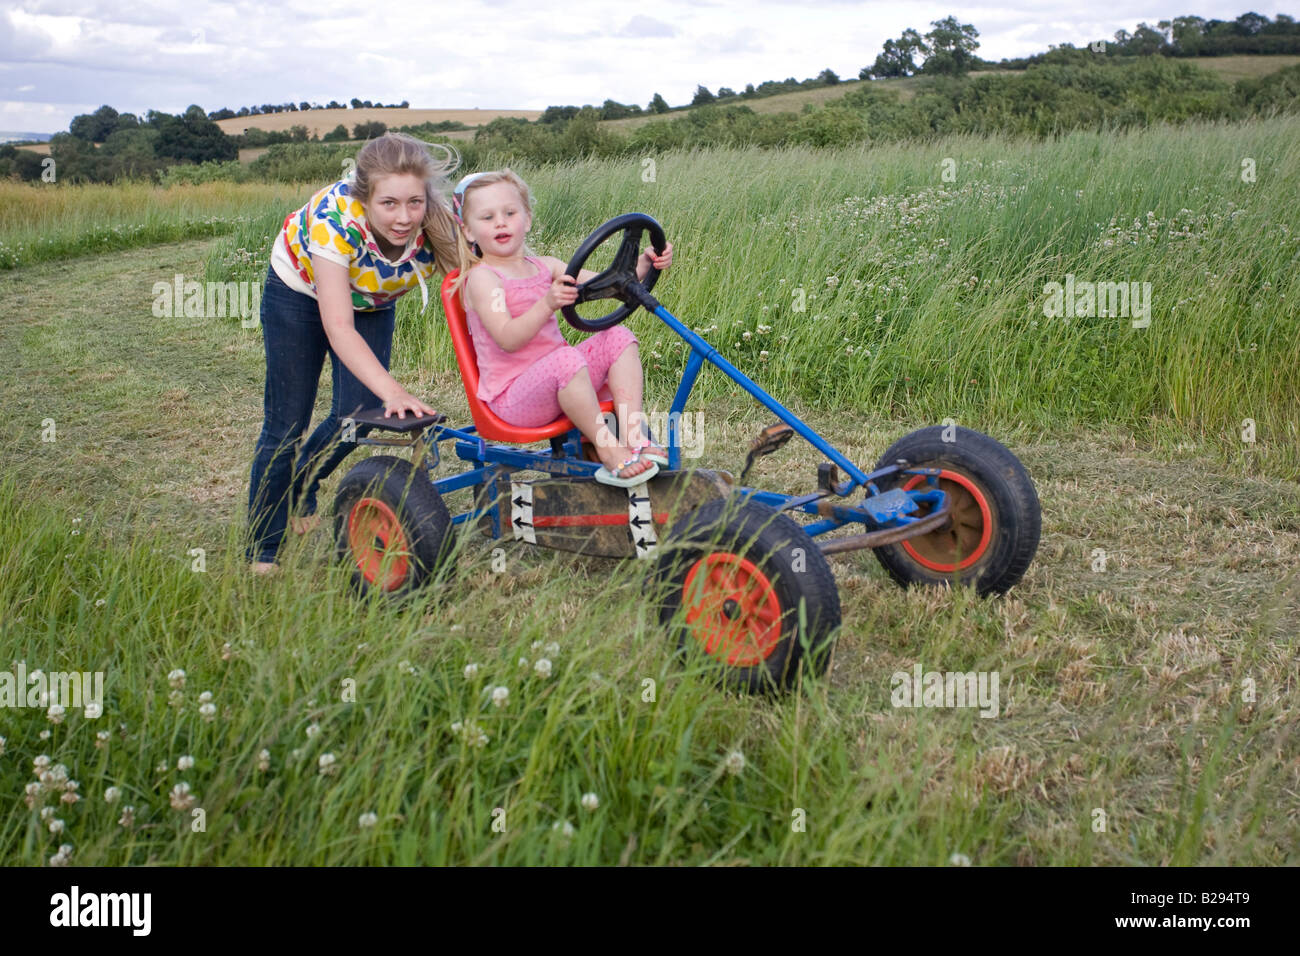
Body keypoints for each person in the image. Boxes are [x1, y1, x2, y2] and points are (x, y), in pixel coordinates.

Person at [245, 133, 461, 574]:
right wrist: (393, 391)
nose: (404, 218)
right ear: (364, 198)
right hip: (299, 293)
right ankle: (263, 546)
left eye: (414, 203)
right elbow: (338, 327)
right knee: (286, 424)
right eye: (389, 204)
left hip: (372, 300)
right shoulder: (335, 222)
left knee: (356, 413)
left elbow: (503, 273)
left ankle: (304, 482)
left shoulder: (440, 221)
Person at [451, 169, 673, 487]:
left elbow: (609, 284)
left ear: (526, 219)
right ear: (469, 231)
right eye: (487, 217)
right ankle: (608, 449)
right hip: (513, 399)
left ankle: (633, 433)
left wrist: (644, 264)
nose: (500, 222)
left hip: (562, 384)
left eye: (509, 213)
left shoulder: (548, 266)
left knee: (618, 337)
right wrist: (547, 303)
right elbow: (507, 338)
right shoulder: (484, 278)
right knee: (566, 359)